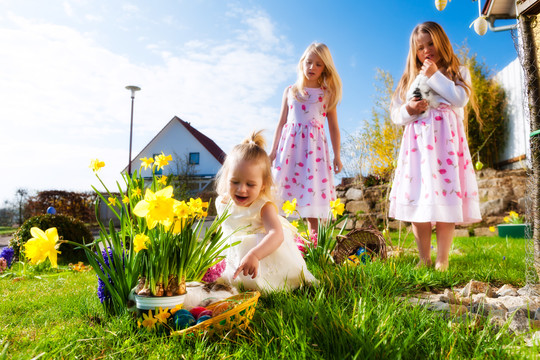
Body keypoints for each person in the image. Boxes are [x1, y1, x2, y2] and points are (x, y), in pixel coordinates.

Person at [388, 21, 482, 271]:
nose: (427, 50)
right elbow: (396, 115)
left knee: (445, 199)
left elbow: (459, 98)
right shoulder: (411, 78)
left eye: (431, 44)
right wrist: (409, 109)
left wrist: (434, 76)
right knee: (419, 199)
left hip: (445, 146)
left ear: (442, 43)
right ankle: (423, 258)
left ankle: (442, 259)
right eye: (421, 48)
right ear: (414, 52)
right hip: (417, 146)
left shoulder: (458, 71)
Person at [215, 130, 317, 293]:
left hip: (263, 256)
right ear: (226, 178)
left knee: (268, 285)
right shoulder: (223, 202)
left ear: (263, 184)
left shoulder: (263, 206)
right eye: (235, 182)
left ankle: (272, 283)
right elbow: (225, 229)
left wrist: (255, 254)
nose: (241, 189)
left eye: (250, 184)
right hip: (236, 256)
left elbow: (276, 234)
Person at [269, 42, 343, 236]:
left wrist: (337, 155)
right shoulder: (290, 91)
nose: (312, 67)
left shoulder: (327, 94)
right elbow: (281, 123)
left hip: (314, 153)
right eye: (309, 62)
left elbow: (334, 127)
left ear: (325, 68)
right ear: (302, 62)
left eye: (318, 64)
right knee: (281, 196)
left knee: (314, 196)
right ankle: (280, 244)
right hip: (289, 151)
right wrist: (272, 151)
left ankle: (314, 248)